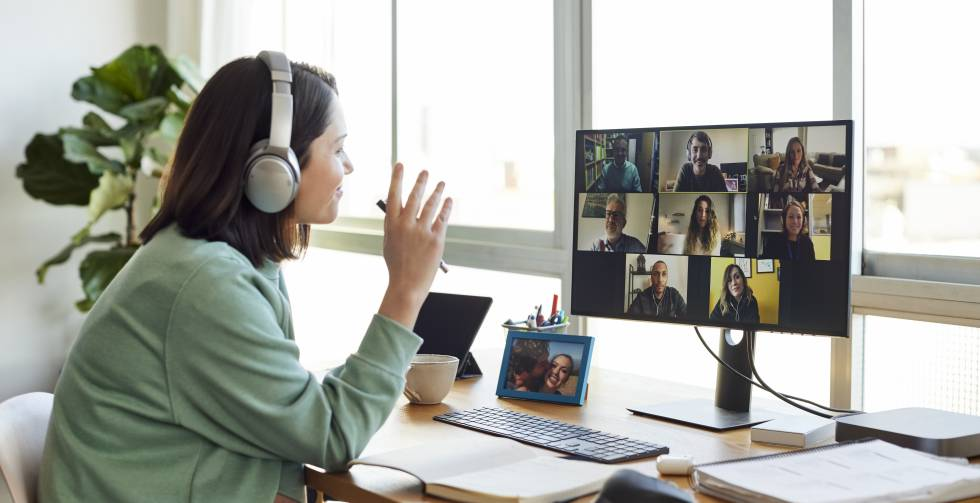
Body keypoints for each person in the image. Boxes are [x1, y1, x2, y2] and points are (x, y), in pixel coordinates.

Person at [39, 52, 452, 503]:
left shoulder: (221, 263)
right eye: (337, 148)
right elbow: (333, 436)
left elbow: (290, 417)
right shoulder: (205, 283)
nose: (348, 166)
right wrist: (406, 288)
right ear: (274, 166)